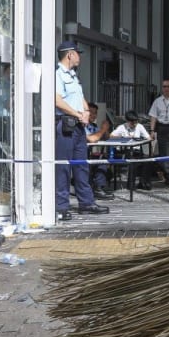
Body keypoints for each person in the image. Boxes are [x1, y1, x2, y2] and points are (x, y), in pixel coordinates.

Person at [54, 40, 110, 221]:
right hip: (66, 124)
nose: (80, 57)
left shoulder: (72, 75)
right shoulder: (57, 74)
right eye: (78, 53)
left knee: (81, 165)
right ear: (70, 55)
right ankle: (61, 207)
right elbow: (57, 100)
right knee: (63, 167)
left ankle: (86, 203)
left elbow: (80, 97)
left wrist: (86, 111)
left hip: (78, 126)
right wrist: (78, 114)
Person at [111, 110, 153, 190]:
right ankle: (131, 184)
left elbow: (149, 138)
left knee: (148, 161)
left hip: (137, 150)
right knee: (133, 161)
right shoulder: (122, 127)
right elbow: (111, 136)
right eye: (132, 122)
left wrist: (141, 139)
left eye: (136, 122)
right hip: (125, 151)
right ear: (127, 121)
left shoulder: (139, 126)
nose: (134, 124)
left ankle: (144, 183)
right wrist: (124, 138)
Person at [84, 102, 114, 201]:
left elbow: (105, 137)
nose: (93, 115)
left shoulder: (93, 126)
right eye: (91, 112)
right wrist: (102, 129)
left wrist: (105, 130)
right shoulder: (82, 126)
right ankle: (98, 188)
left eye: (95, 113)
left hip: (89, 154)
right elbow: (92, 139)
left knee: (103, 158)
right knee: (101, 161)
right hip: (80, 156)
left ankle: (100, 186)